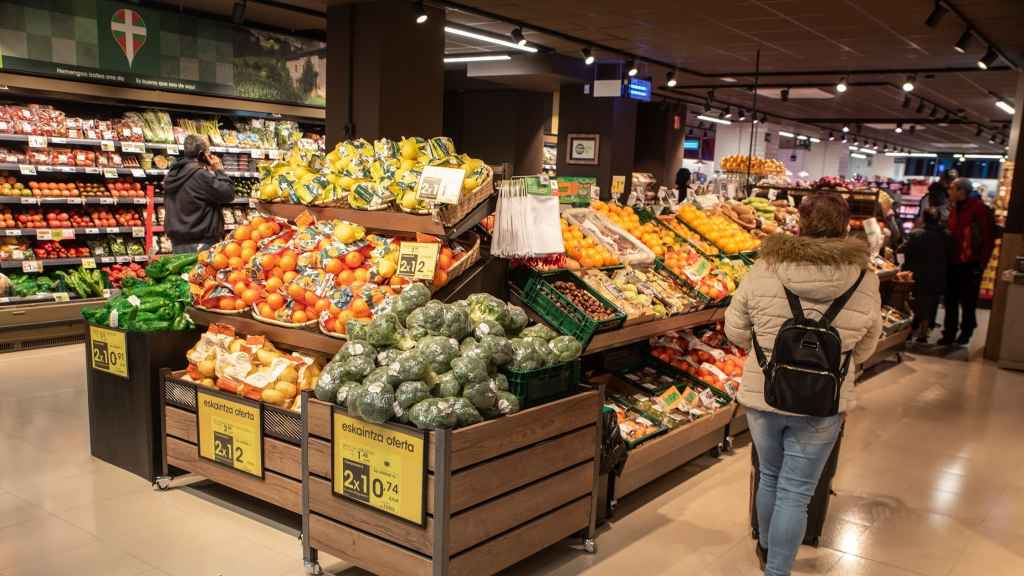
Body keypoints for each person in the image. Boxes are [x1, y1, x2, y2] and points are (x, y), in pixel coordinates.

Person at [724, 194, 882, 576]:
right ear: (847, 226)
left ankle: (765, 545)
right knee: (796, 491)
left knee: (770, 476)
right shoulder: (864, 277)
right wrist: (834, 363)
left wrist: (765, 357)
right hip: (823, 402)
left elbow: (735, 327)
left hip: (765, 394)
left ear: (800, 222)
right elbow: (867, 345)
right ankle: (777, 570)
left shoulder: (766, 266)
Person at [940, 177, 995, 346]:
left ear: (961, 191)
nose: (949, 192)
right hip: (953, 262)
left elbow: (987, 239)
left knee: (968, 301)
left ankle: (966, 331)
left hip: (970, 264)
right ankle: (949, 333)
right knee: (950, 300)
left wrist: (981, 264)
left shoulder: (979, 210)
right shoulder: (955, 209)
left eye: (952, 189)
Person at [163, 134, 235, 253]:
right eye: (208, 153)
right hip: (201, 243)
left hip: (177, 243)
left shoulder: (172, 174)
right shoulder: (200, 175)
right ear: (202, 155)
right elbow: (228, 193)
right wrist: (219, 170)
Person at [900, 207, 949, 343]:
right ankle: (923, 333)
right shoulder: (945, 235)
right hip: (937, 275)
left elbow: (902, 250)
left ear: (923, 218)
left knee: (914, 302)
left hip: (916, 274)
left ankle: (910, 331)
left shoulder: (916, 234)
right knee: (930, 303)